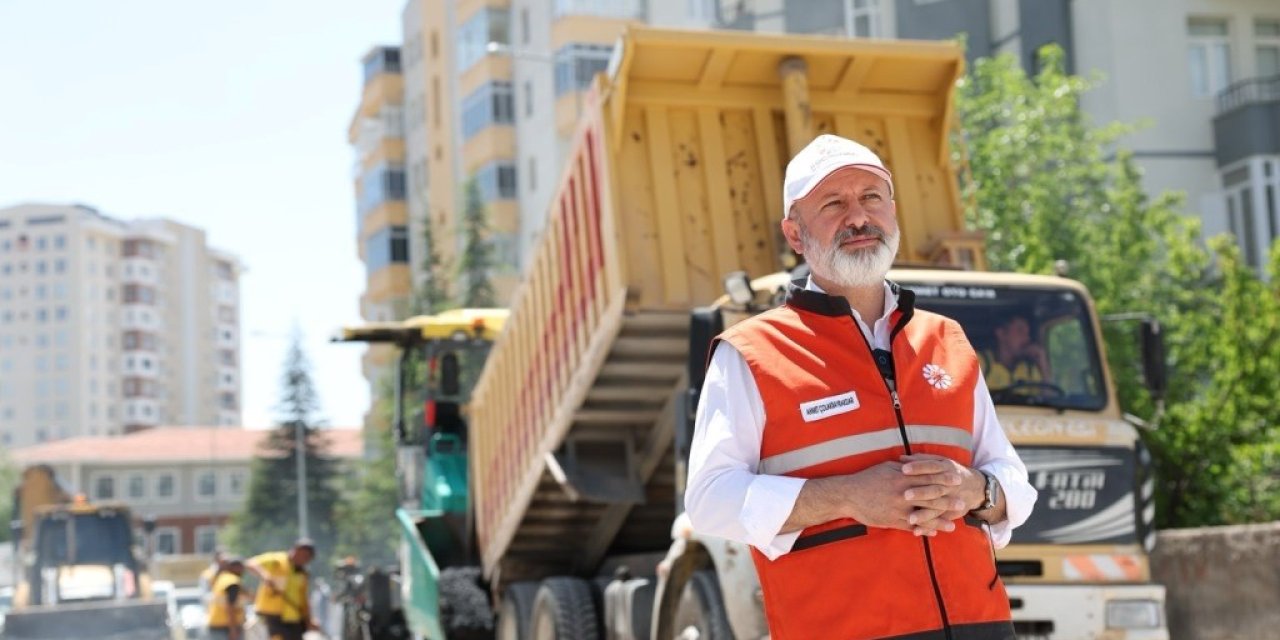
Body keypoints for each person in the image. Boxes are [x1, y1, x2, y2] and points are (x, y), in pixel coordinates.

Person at [684, 134, 1037, 640]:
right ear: (795, 234)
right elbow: (710, 501)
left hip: (979, 626)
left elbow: (1014, 483)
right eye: (834, 203)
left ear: (892, 213)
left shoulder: (946, 339)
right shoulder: (752, 354)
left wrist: (976, 490)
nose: (858, 217)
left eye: (872, 197)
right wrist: (845, 496)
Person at [246, 538, 318, 640]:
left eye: (307, 558)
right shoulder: (277, 561)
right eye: (303, 555)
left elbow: (304, 599)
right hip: (272, 615)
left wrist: (309, 619)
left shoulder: (303, 574)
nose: (304, 559)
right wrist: (264, 575)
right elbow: (251, 563)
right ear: (296, 550)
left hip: (294, 617)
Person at [982, 315, 1052, 389]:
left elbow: (1048, 398)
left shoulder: (1029, 370)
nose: (1026, 338)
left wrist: (1043, 366)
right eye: (1020, 331)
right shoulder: (981, 363)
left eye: (1027, 333)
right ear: (1001, 333)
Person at [205, 556, 246, 640]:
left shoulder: (222, 578)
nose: (243, 570)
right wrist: (233, 630)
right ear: (234, 567)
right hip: (226, 626)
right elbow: (230, 606)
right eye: (241, 567)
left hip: (216, 624)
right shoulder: (232, 581)